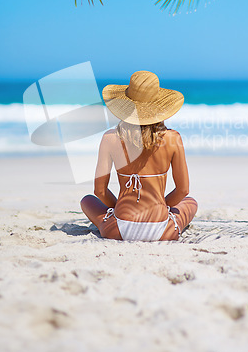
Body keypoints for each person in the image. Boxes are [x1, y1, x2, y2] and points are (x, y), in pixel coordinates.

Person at [80, 70, 197, 241]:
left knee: (87, 201)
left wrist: (119, 207)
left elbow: (100, 190)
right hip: (162, 230)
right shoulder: (173, 139)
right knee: (191, 202)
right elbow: (183, 190)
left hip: (119, 228)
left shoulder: (111, 138)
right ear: (159, 107)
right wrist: (161, 206)